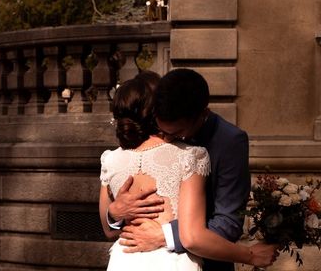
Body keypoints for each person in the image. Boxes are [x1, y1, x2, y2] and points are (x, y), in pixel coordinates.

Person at [99, 71, 277, 270]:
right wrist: (114, 214)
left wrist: (166, 235)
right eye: (162, 131)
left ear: (202, 115)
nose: (165, 139)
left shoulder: (229, 142)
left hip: (202, 262)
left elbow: (228, 222)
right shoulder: (141, 138)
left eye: (176, 134)